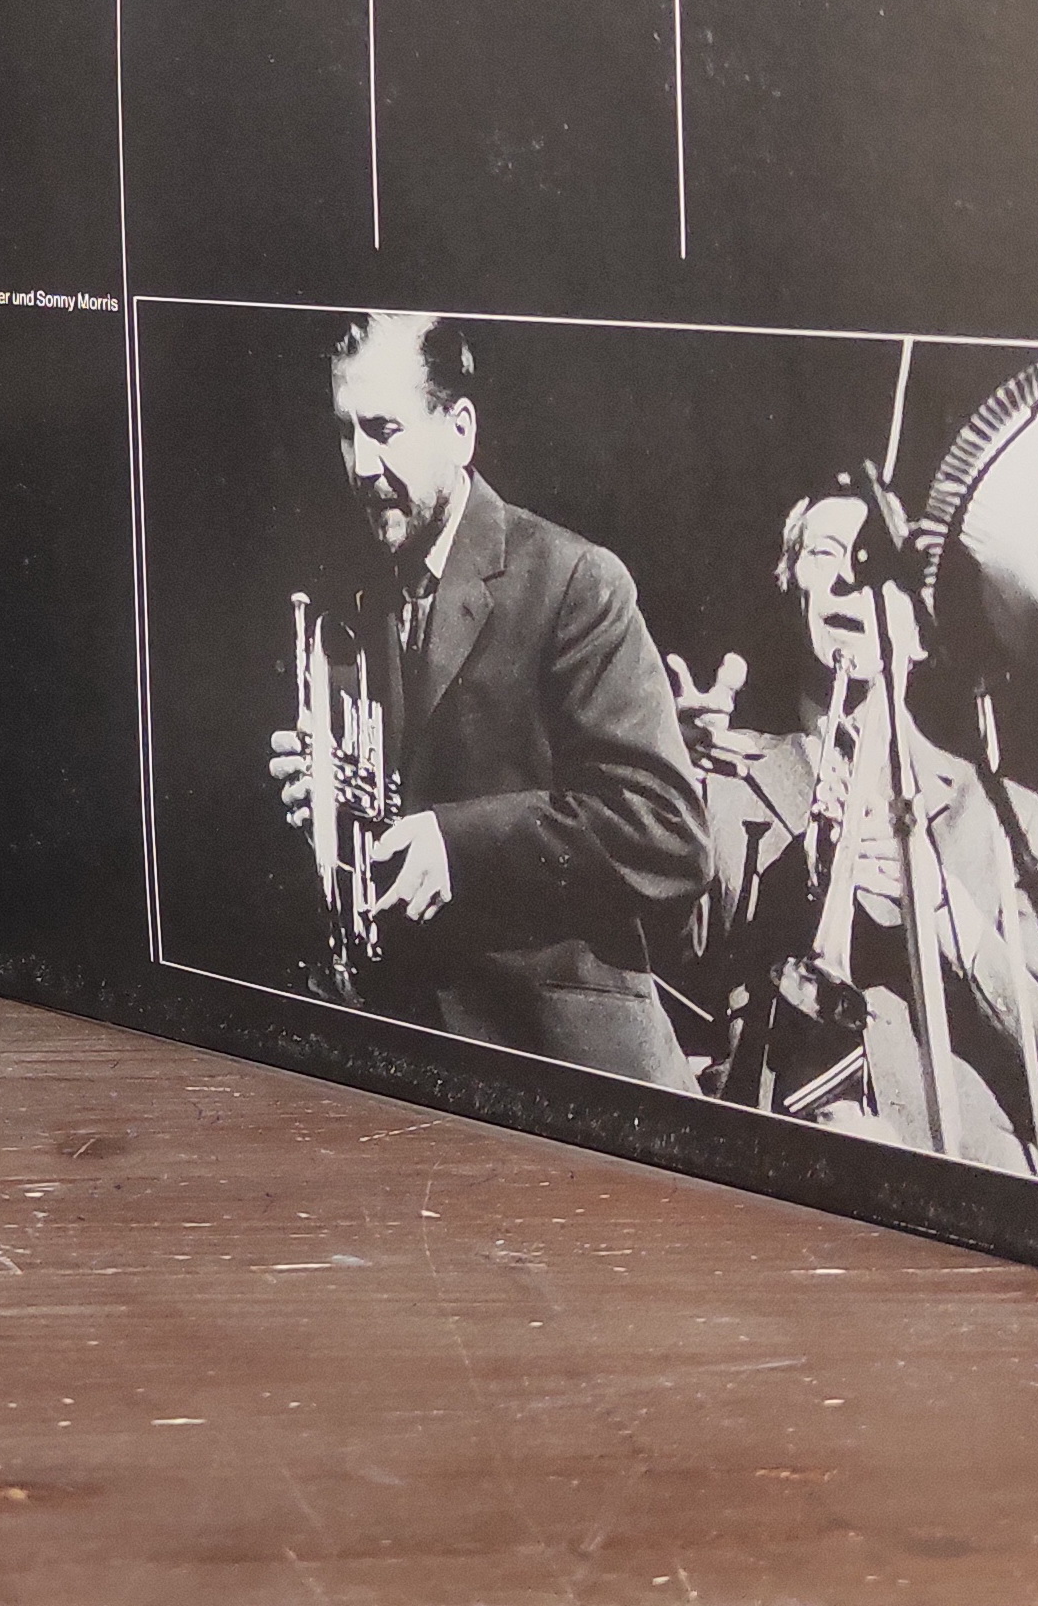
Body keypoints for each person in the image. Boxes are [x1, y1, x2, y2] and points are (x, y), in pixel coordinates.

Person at [264, 311, 709, 1086]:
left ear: (459, 429)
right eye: (344, 433)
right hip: (416, 1054)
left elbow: (665, 829)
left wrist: (456, 847)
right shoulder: (358, 595)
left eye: (384, 430)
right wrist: (328, 808)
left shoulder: (573, 579)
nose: (361, 464)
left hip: (563, 1061)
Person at [673, 488, 1038, 1178]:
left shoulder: (1016, 819)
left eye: (872, 565)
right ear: (789, 591)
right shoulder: (721, 778)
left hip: (954, 1179)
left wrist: (944, 913)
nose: (846, 578)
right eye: (822, 554)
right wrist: (665, 778)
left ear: (920, 631)